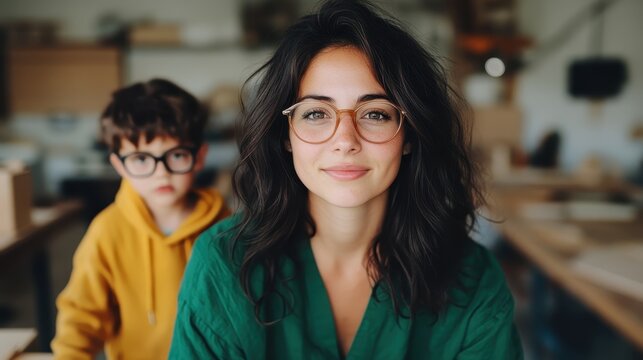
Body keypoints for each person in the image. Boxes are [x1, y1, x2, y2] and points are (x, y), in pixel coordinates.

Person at [170, 1, 523, 358]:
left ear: (410, 135)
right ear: (284, 135)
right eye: (315, 113)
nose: (345, 141)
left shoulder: (474, 280)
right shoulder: (223, 266)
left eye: (374, 114)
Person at [52, 78, 230, 359]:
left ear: (199, 157)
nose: (161, 172)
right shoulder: (108, 231)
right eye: (141, 159)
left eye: (176, 155)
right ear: (119, 165)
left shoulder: (226, 229)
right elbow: (81, 316)